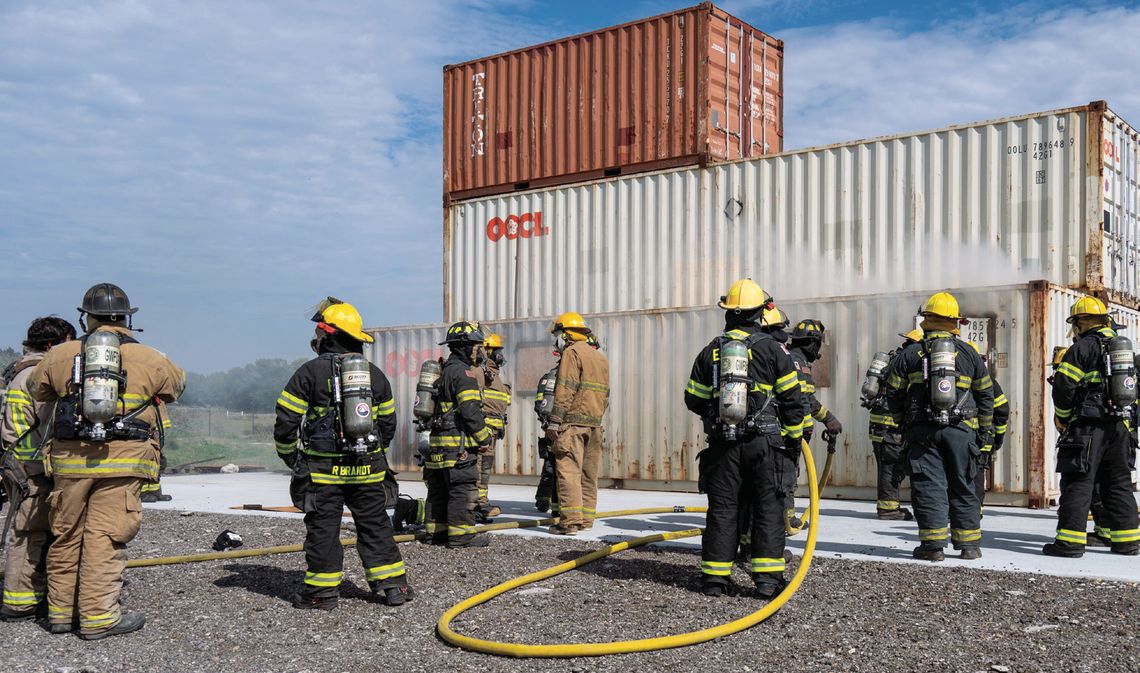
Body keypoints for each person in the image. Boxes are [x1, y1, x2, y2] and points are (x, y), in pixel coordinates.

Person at [29, 283, 184, 638]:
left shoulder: (61, 353)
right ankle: (99, 617)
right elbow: (176, 387)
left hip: (69, 462)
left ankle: (60, 614)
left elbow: (37, 388)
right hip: (124, 461)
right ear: (128, 319)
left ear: (87, 318)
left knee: (65, 534)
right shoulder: (150, 356)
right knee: (105, 537)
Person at [274, 298, 411, 609]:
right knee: (375, 525)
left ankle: (321, 594)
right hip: (368, 468)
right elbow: (388, 423)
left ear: (328, 335)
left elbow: (286, 421)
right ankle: (393, 588)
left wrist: (291, 457)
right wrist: (372, 456)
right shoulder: (375, 376)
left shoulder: (308, 373)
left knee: (324, 529)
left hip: (323, 472)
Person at [684, 280, 806, 597]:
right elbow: (794, 402)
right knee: (768, 508)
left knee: (723, 510)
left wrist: (717, 409)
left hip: (724, 445)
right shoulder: (774, 350)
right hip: (767, 444)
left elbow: (692, 398)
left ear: (728, 314)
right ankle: (766, 582)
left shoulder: (712, 350)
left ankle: (714, 579)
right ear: (758, 314)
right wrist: (793, 441)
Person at [882, 291, 994, 562]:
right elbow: (986, 397)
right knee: (964, 484)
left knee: (929, 486)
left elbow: (892, 393)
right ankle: (969, 546)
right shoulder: (970, 354)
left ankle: (932, 548)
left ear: (927, 319)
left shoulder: (910, 354)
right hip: (962, 432)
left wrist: (901, 421)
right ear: (955, 322)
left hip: (922, 432)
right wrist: (985, 434)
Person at [1044, 296, 1139, 557]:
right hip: (1121, 426)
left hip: (1088, 427)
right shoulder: (1124, 350)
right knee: (1118, 483)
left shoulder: (1083, 348)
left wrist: (1063, 418)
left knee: (1078, 481)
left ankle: (1069, 543)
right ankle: (1128, 541)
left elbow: (1063, 388)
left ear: (1080, 322)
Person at [0, 317, 76, 622]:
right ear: (51, 346)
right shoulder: (36, 376)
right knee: (29, 532)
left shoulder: (19, 370)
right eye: (68, 344)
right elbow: (51, 424)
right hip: (30, 467)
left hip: (17, 463)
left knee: (31, 530)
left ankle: (31, 594)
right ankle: (19, 604)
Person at [424, 321, 494, 548]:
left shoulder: (443, 369)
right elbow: (470, 411)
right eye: (476, 346)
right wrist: (484, 438)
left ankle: (436, 532)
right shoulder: (464, 374)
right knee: (461, 489)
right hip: (457, 445)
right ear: (465, 347)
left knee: (438, 490)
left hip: (436, 444)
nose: (480, 351)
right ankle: (461, 535)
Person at [545, 312, 610, 535]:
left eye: (557, 334)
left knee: (569, 471)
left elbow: (565, 388)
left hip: (572, 424)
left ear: (566, 335)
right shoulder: (599, 356)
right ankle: (586, 520)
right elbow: (606, 395)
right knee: (588, 474)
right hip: (594, 424)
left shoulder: (571, 353)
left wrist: (554, 421)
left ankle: (570, 522)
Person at [785, 320, 842, 530]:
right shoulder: (797, 363)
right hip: (791, 433)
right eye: (817, 345)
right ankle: (785, 519)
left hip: (798, 432)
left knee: (790, 473)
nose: (817, 350)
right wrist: (829, 419)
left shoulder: (797, 360)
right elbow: (805, 400)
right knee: (787, 474)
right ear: (811, 343)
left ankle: (785, 517)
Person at [864, 329, 921, 520]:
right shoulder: (908, 363)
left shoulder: (893, 359)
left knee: (889, 465)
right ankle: (888, 510)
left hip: (879, 424)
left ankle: (890, 506)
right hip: (891, 425)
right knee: (891, 466)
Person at [472, 332, 511, 522]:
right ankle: (478, 504)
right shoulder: (480, 372)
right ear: (487, 351)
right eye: (497, 350)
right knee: (479, 467)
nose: (500, 355)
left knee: (485, 468)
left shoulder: (494, 375)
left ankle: (481, 501)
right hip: (483, 430)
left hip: (493, 430)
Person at [533, 357, 560, 514]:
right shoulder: (551, 377)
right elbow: (540, 404)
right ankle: (543, 499)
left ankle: (545, 500)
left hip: (558, 426)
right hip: (552, 427)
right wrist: (547, 422)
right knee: (551, 466)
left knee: (553, 467)